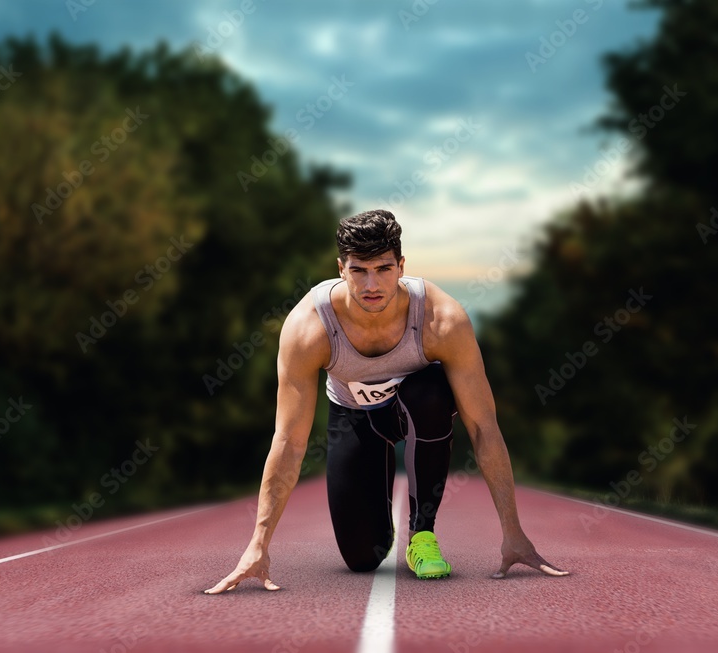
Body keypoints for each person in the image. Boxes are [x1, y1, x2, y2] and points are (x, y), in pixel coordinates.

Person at [204, 210, 568, 593]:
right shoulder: (309, 328)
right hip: (355, 420)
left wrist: (514, 532)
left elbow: (482, 426)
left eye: (384, 268)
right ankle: (377, 518)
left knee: (429, 391)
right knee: (362, 558)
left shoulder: (441, 320)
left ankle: (421, 536)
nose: (372, 284)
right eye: (360, 270)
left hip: (419, 410)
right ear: (341, 268)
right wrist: (257, 546)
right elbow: (289, 441)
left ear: (401, 266)